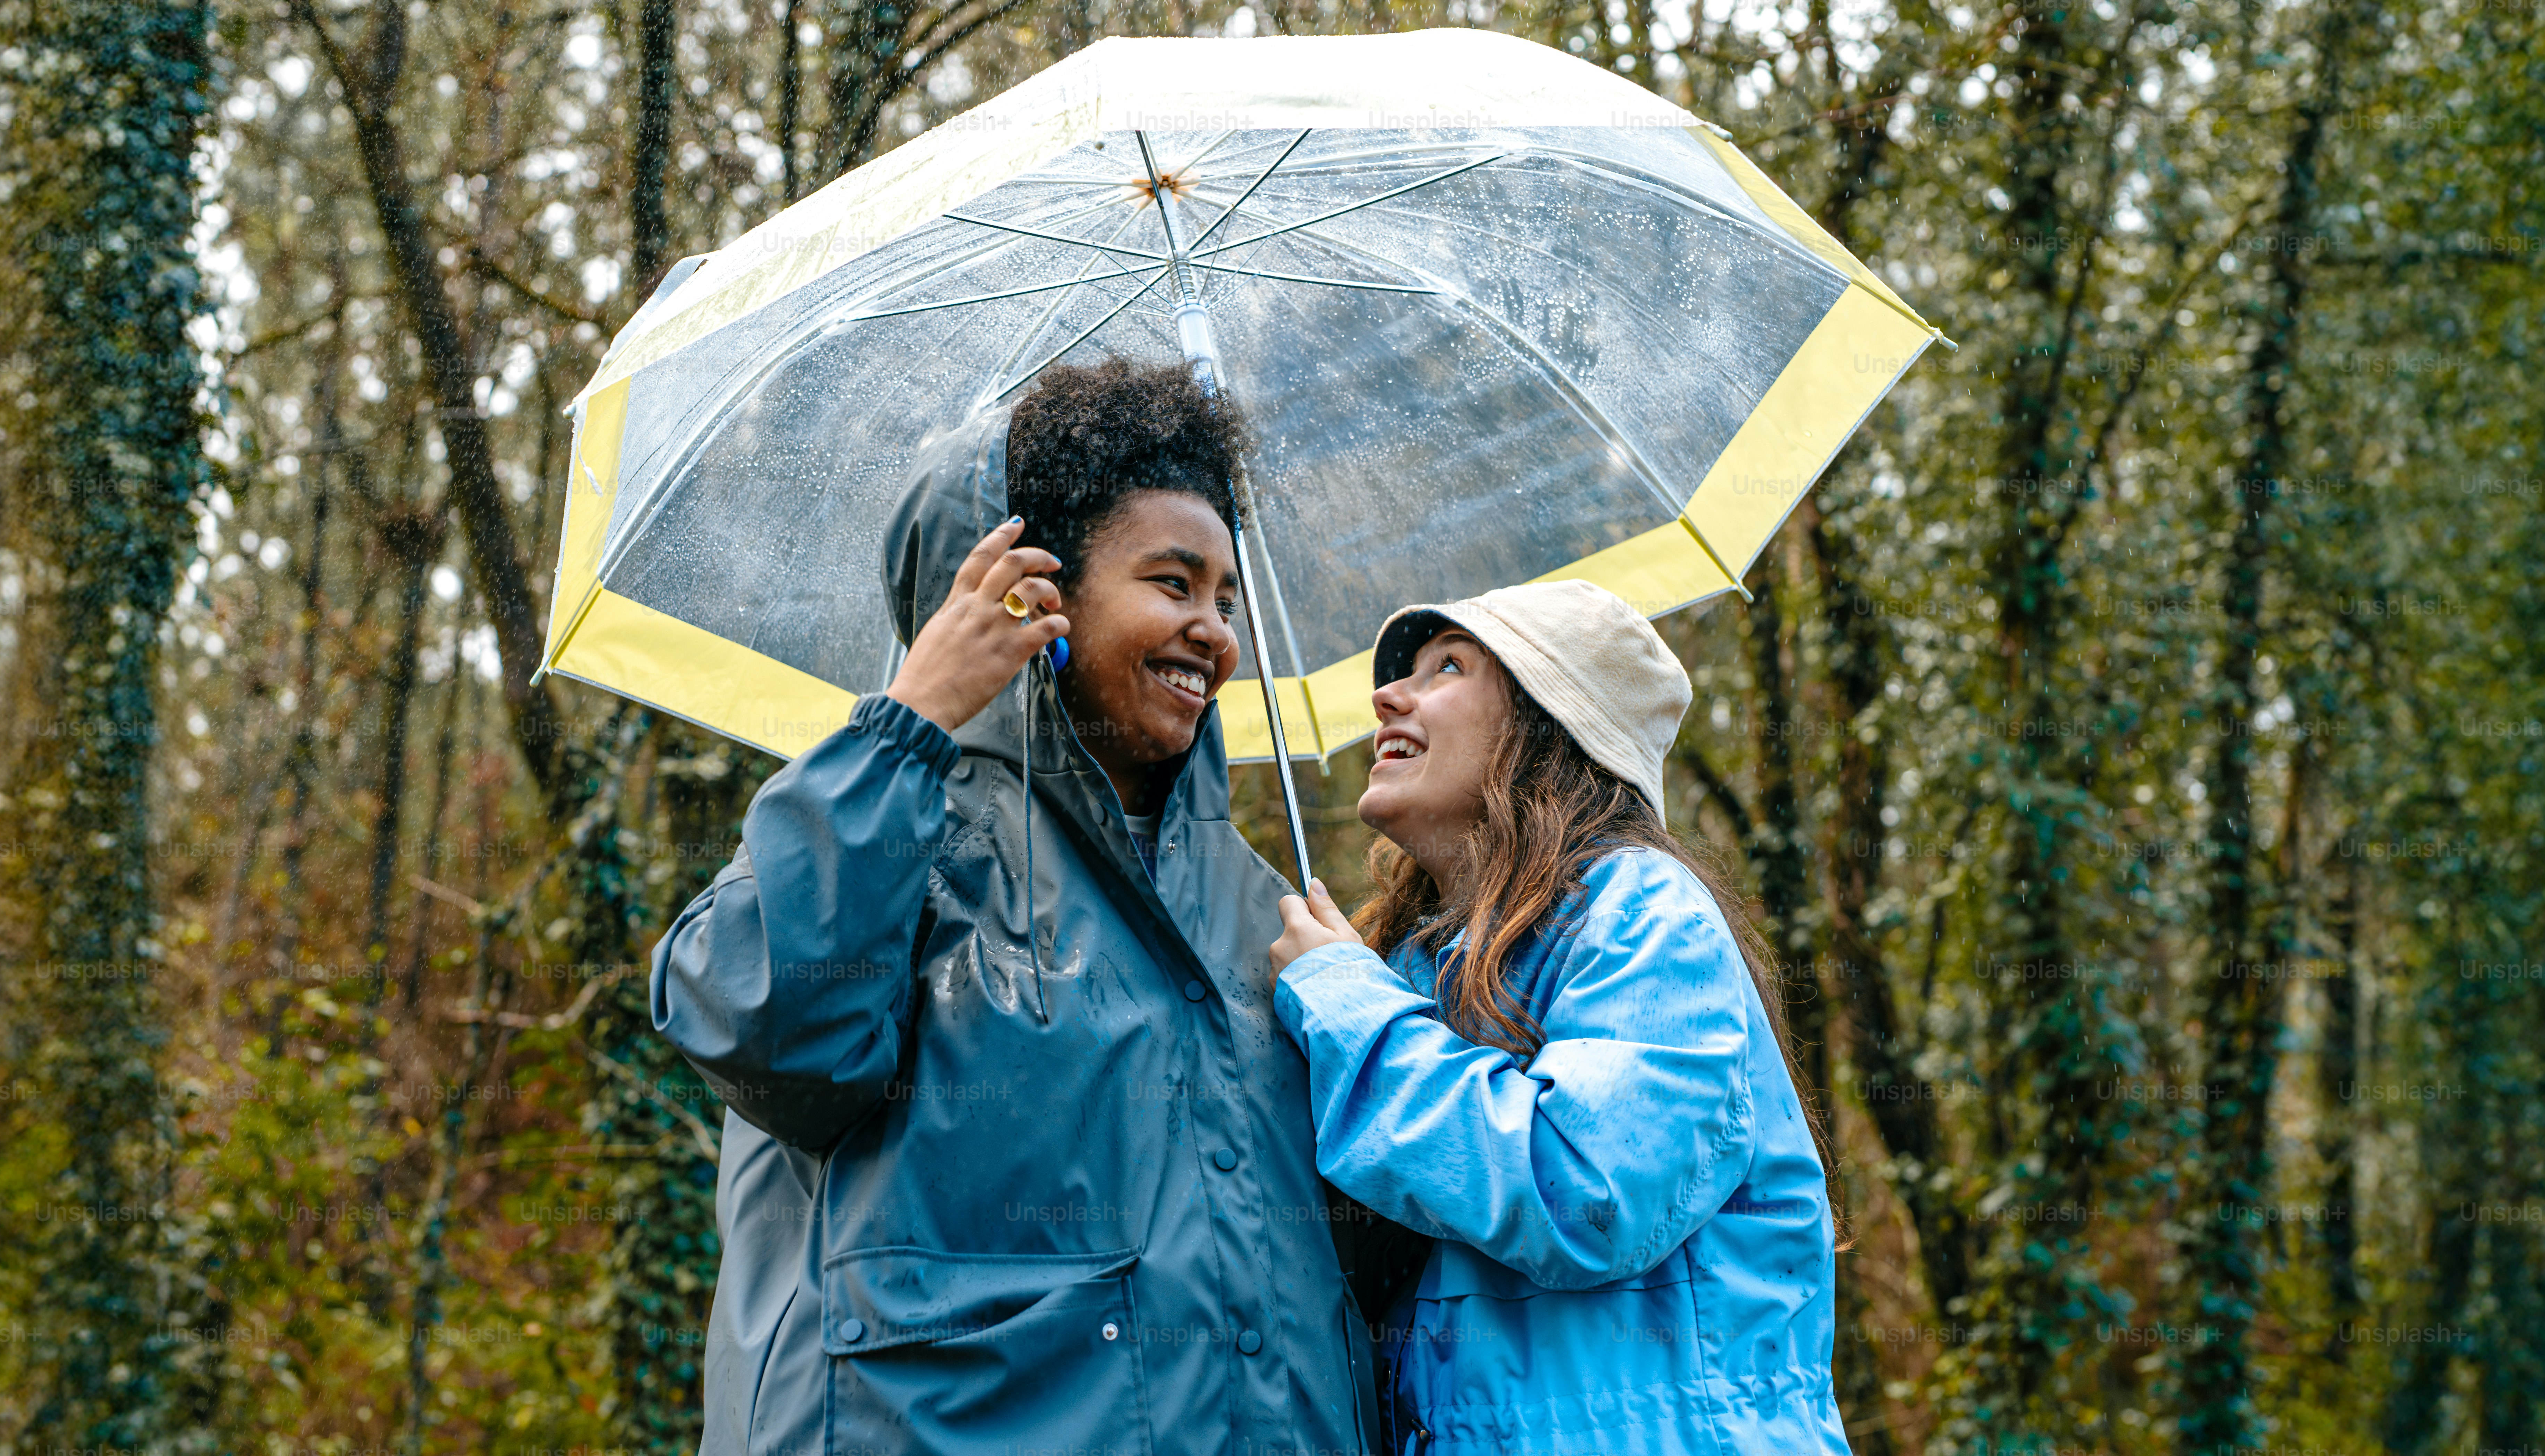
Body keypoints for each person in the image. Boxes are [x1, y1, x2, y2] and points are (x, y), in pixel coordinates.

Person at [649, 355, 1381, 1456]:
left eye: (1227, 600)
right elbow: (762, 1027)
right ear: (1033, 594)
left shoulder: (1266, 911)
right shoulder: (896, 827)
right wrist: (918, 714)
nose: (1216, 633)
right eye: (1173, 585)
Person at [1268, 579, 1852, 1456]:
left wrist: (1349, 1006)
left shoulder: (1644, 912)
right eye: (1404, 675)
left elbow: (1585, 1188)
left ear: (1550, 729)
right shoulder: (1413, 968)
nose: (1387, 695)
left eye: (1447, 668)